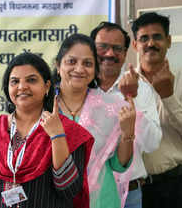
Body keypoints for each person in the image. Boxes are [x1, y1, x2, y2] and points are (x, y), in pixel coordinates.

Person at [0, 52, 94, 208]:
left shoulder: (69, 132)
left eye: (31, 80)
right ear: (7, 88)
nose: (22, 86)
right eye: (14, 81)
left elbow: (69, 190)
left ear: (46, 86)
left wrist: (57, 136)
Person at [52, 33, 137, 208]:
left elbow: (119, 166)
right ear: (58, 66)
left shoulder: (112, 107)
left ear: (95, 70)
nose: (79, 69)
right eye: (71, 61)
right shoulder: (43, 107)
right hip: (54, 199)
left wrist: (128, 133)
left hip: (102, 200)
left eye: (88, 63)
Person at [131, 12, 182, 208]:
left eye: (157, 37)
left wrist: (168, 97)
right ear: (135, 45)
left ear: (169, 41)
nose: (151, 43)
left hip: (171, 185)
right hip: (132, 189)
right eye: (144, 38)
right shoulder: (126, 83)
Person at [90, 22, 162, 208]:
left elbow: (152, 144)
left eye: (117, 49)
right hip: (89, 194)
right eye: (102, 47)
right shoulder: (81, 89)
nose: (110, 54)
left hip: (130, 195)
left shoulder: (142, 90)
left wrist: (130, 98)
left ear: (125, 53)